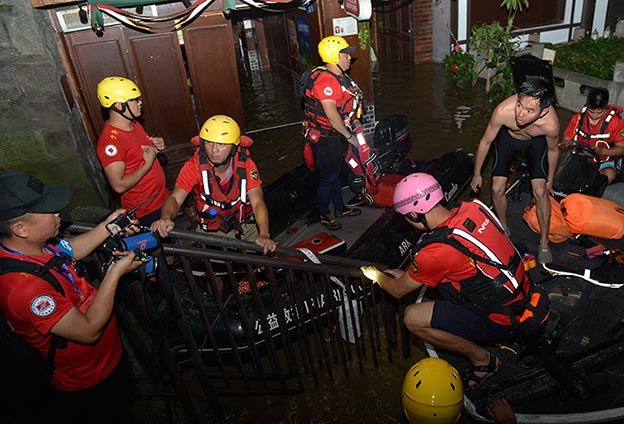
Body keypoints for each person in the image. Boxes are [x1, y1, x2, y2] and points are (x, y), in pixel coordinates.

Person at [362, 173, 549, 390]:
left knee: (412, 318)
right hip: (522, 292)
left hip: (503, 320)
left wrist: (375, 275)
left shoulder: (435, 252)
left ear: (414, 214)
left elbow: (396, 291)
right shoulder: (473, 207)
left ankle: (484, 360)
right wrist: (409, 274)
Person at [0, 171, 142, 423]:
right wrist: (114, 273)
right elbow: (88, 331)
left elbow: (69, 251)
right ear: (20, 228)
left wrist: (108, 227)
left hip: (109, 360)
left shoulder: (37, 247)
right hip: (88, 383)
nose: (58, 212)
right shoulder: (24, 289)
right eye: (48, 210)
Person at [151, 115, 277, 254]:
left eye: (222, 144)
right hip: (213, 232)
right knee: (216, 267)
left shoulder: (245, 164)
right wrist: (165, 218)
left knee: (260, 260)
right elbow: (175, 198)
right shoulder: (194, 166)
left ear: (234, 147)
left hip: (245, 226)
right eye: (210, 143)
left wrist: (264, 234)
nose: (214, 150)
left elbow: (257, 201)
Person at [470, 78, 560, 264]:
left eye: (529, 111)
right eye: (519, 105)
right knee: (496, 187)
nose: (520, 113)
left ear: (542, 112)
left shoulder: (550, 124)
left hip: (536, 144)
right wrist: (477, 173)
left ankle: (544, 241)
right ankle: (504, 227)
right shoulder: (503, 112)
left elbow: (553, 150)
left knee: (540, 191)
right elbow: (485, 142)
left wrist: (550, 179)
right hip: (508, 139)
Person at [301, 35, 364, 230]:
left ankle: (339, 208)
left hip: (335, 136)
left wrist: (353, 119)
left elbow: (346, 104)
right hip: (326, 139)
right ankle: (323, 214)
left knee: (334, 174)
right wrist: (350, 137)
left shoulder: (339, 77)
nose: (349, 58)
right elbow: (332, 116)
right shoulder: (326, 83)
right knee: (328, 178)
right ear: (335, 57)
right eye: (345, 55)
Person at [96, 76, 170, 227]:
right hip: (146, 209)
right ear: (118, 105)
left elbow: (139, 151)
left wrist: (156, 145)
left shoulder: (134, 125)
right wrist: (147, 165)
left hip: (161, 197)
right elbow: (118, 185)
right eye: (135, 100)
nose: (140, 103)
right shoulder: (110, 143)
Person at [561, 87, 624, 184]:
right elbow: (566, 139)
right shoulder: (578, 118)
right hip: (579, 159)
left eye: (599, 113)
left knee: (609, 174)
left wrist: (602, 151)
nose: (594, 116)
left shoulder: (616, 122)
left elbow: (621, 148)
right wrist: (570, 145)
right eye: (591, 111)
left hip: (603, 162)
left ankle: (592, 193)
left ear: (605, 108)